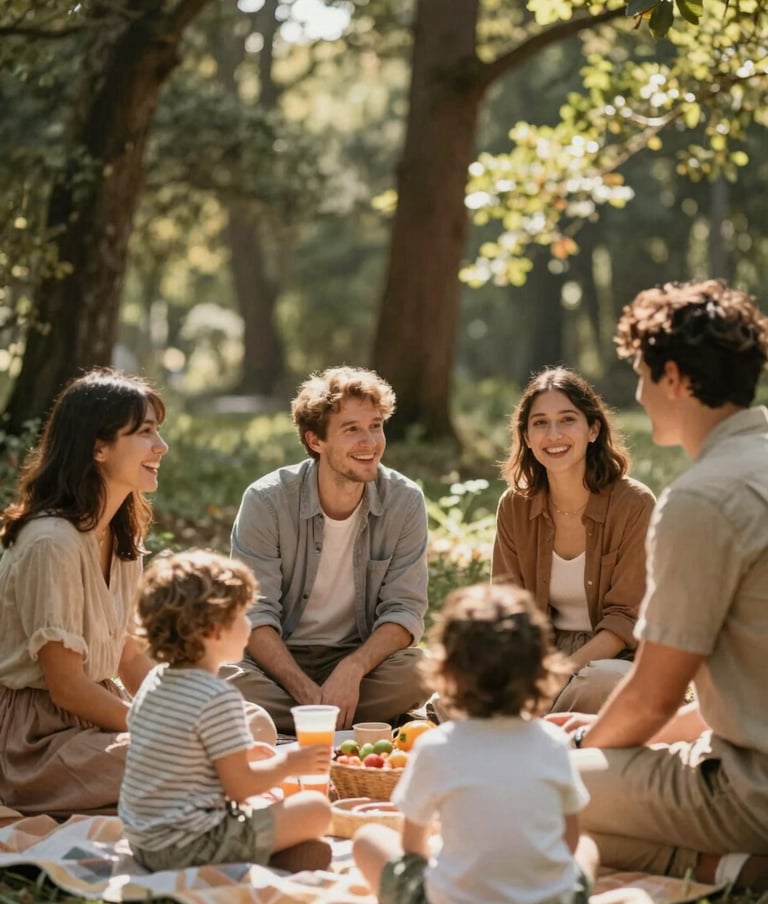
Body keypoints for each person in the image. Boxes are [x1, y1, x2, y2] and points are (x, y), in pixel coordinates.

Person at [551, 278, 768, 891]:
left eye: (644, 377)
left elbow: (652, 696)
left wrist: (583, 745)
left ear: (674, 378)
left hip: (750, 790)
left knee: (529, 790)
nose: (639, 396)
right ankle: (729, 865)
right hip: (739, 755)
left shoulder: (703, 499)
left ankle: (730, 868)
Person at [352, 582, 598, 904]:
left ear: (448, 673)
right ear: (540, 670)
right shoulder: (555, 743)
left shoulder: (435, 747)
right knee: (589, 849)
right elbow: (569, 841)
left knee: (368, 839)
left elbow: (413, 849)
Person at [223, 365, 430, 735]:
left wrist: (352, 670)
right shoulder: (266, 501)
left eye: (376, 425)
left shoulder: (404, 500)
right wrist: (303, 688)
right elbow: (254, 615)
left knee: (420, 672)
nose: (370, 442)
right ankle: (348, 721)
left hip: (357, 658)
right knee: (221, 677)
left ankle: (286, 723)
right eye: (352, 429)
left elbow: (405, 611)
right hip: (275, 659)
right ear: (316, 441)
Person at [0, 368, 168, 817]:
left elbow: (129, 657)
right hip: (38, 738)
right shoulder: (51, 543)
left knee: (250, 725)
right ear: (98, 447)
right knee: (178, 761)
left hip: (103, 711)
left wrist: (182, 712)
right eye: (146, 432)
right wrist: (162, 731)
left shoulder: (122, 536)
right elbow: (68, 688)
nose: (161, 447)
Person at [120, 549, 332, 872]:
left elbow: (180, 762)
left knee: (283, 812)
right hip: (189, 844)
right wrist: (288, 762)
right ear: (211, 630)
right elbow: (241, 788)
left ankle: (271, 854)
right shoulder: (217, 697)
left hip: (144, 842)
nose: (250, 626)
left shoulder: (154, 682)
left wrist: (242, 757)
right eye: (242, 616)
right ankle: (258, 855)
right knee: (316, 809)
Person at [492, 366, 655, 714]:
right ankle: (542, 725)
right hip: (540, 654)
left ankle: (529, 727)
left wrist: (560, 673)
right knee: (463, 684)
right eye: (540, 423)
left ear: (593, 429)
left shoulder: (634, 504)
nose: (554, 435)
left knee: (601, 684)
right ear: (526, 435)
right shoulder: (514, 506)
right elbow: (509, 610)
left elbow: (627, 617)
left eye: (567, 420)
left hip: (612, 656)